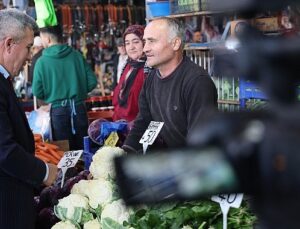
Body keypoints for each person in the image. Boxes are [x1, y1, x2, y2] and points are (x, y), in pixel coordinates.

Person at [123, 17, 218, 153]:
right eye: (145, 42)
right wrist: (125, 152)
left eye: (152, 41)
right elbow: (144, 123)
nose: (145, 49)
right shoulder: (151, 79)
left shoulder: (197, 82)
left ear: (175, 44)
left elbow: (200, 143)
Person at [0, 9, 58, 228]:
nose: (29, 57)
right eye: (27, 48)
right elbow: (4, 151)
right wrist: (44, 171)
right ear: (8, 44)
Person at [32, 25, 97, 150]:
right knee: (84, 148)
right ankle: (85, 170)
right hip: (79, 108)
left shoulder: (41, 62)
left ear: (48, 39)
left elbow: (37, 91)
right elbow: (92, 82)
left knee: (64, 151)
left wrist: (52, 94)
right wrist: (79, 90)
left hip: (58, 110)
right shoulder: (77, 55)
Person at [112, 25, 147, 122]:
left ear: (144, 42)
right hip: (121, 123)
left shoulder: (149, 69)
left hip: (138, 126)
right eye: (127, 43)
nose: (131, 47)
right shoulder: (128, 66)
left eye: (136, 42)